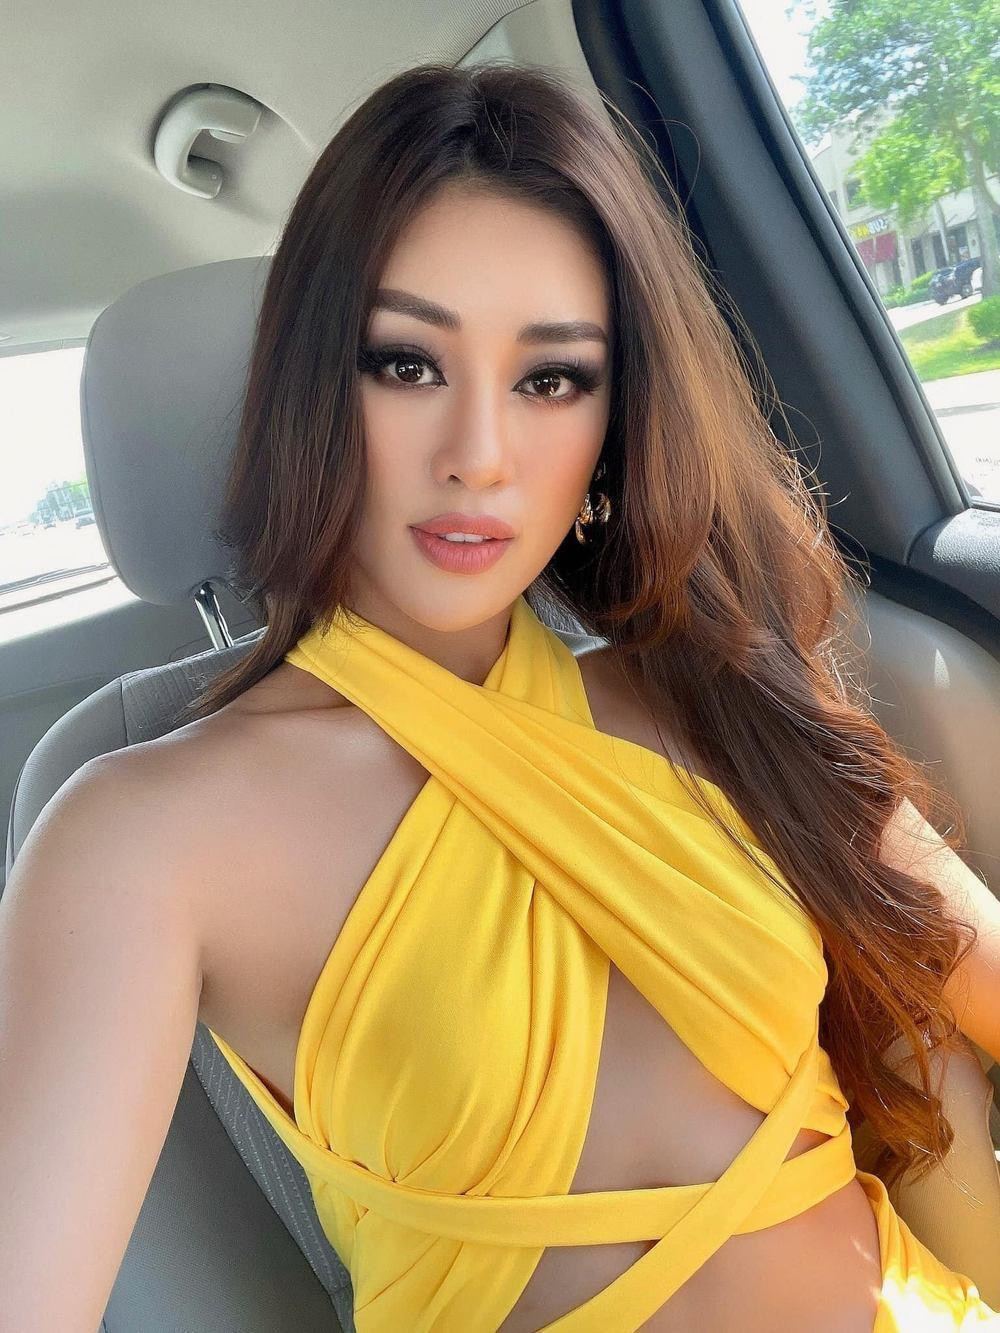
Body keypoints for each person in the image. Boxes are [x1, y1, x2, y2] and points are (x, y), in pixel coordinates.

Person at [2, 60, 999, 1331]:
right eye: (405, 363)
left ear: (615, 423)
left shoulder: (718, 693)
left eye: (551, 379)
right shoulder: (138, 834)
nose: (478, 456)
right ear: (311, 387)